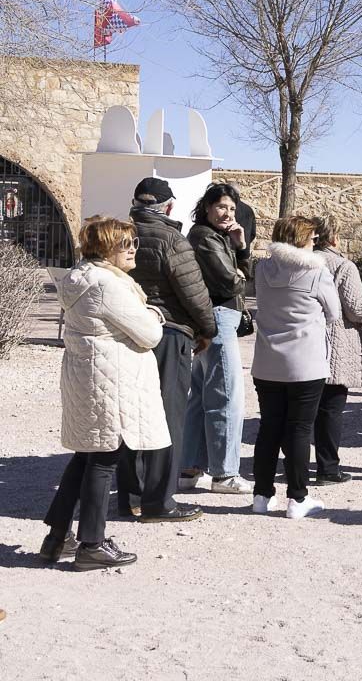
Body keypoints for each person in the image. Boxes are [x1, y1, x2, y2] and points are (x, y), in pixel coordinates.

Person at [40, 218, 168, 570]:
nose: (131, 249)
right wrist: (155, 314)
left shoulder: (82, 277)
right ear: (105, 249)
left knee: (86, 456)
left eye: (133, 242)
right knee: (103, 459)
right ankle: (91, 544)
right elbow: (149, 334)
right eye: (124, 243)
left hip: (91, 377)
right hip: (109, 380)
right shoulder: (107, 285)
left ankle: (56, 537)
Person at [123, 177, 214, 523]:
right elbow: (194, 294)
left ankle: (129, 495)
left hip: (128, 333)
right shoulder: (172, 239)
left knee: (130, 415)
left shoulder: (120, 233)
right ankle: (159, 501)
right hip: (169, 334)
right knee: (167, 417)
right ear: (169, 207)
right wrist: (207, 330)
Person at [250, 215, 340, 519]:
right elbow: (334, 311)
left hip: (266, 361)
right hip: (305, 363)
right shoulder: (316, 271)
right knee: (299, 430)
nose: (315, 241)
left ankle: (261, 495)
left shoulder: (262, 268)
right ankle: (297, 498)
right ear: (301, 238)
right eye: (312, 236)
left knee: (269, 428)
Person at [182, 184, 253, 494]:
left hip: (212, 319)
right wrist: (240, 266)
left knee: (200, 396)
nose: (228, 214)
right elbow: (231, 283)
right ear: (207, 207)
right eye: (223, 207)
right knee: (226, 395)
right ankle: (224, 474)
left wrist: (241, 247)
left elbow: (239, 278)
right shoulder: (204, 237)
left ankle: (189, 467)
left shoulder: (217, 237)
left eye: (233, 210)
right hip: (219, 318)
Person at [312, 214, 362, 485]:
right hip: (336, 342)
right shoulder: (343, 266)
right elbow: (357, 308)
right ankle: (328, 467)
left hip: (305, 343)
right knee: (331, 408)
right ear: (335, 236)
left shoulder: (302, 262)